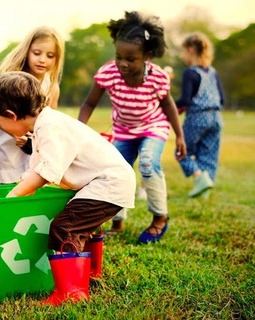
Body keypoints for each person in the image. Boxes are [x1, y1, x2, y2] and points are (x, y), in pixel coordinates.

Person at [0, 71, 135, 305]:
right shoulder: (46, 123)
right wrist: (24, 185)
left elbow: (45, 173)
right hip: (106, 182)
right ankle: (91, 274)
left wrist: (13, 195)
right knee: (83, 224)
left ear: (11, 115)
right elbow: (37, 167)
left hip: (108, 183)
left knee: (65, 228)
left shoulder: (50, 127)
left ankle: (72, 293)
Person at [78, 11, 187, 244]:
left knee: (148, 163)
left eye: (130, 59)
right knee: (116, 171)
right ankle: (117, 222)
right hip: (124, 130)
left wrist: (180, 136)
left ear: (147, 56)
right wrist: (78, 132)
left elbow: (168, 107)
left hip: (153, 126)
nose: (123, 63)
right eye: (119, 57)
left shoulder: (157, 77)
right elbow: (89, 103)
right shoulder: (108, 73)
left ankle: (160, 218)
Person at [0, 26, 65, 184]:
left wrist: (35, 139)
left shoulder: (51, 86)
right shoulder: (11, 80)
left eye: (50, 56)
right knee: (9, 183)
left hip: (30, 144)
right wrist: (15, 134)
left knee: (30, 182)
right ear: (27, 51)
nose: (42, 59)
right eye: (37, 53)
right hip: (6, 141)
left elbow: (50, 121)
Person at [176, 32, 224, 198]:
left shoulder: (190, 73)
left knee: (182, 152)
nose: (182, 56)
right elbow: (222, 99)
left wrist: (168, 106)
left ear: (190, 50)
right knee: (208, 154)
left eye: (183, 52)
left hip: (197, 117)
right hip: (216, 118)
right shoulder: (213, 72)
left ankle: (199, 178)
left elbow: (185, 99)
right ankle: (204, 191)